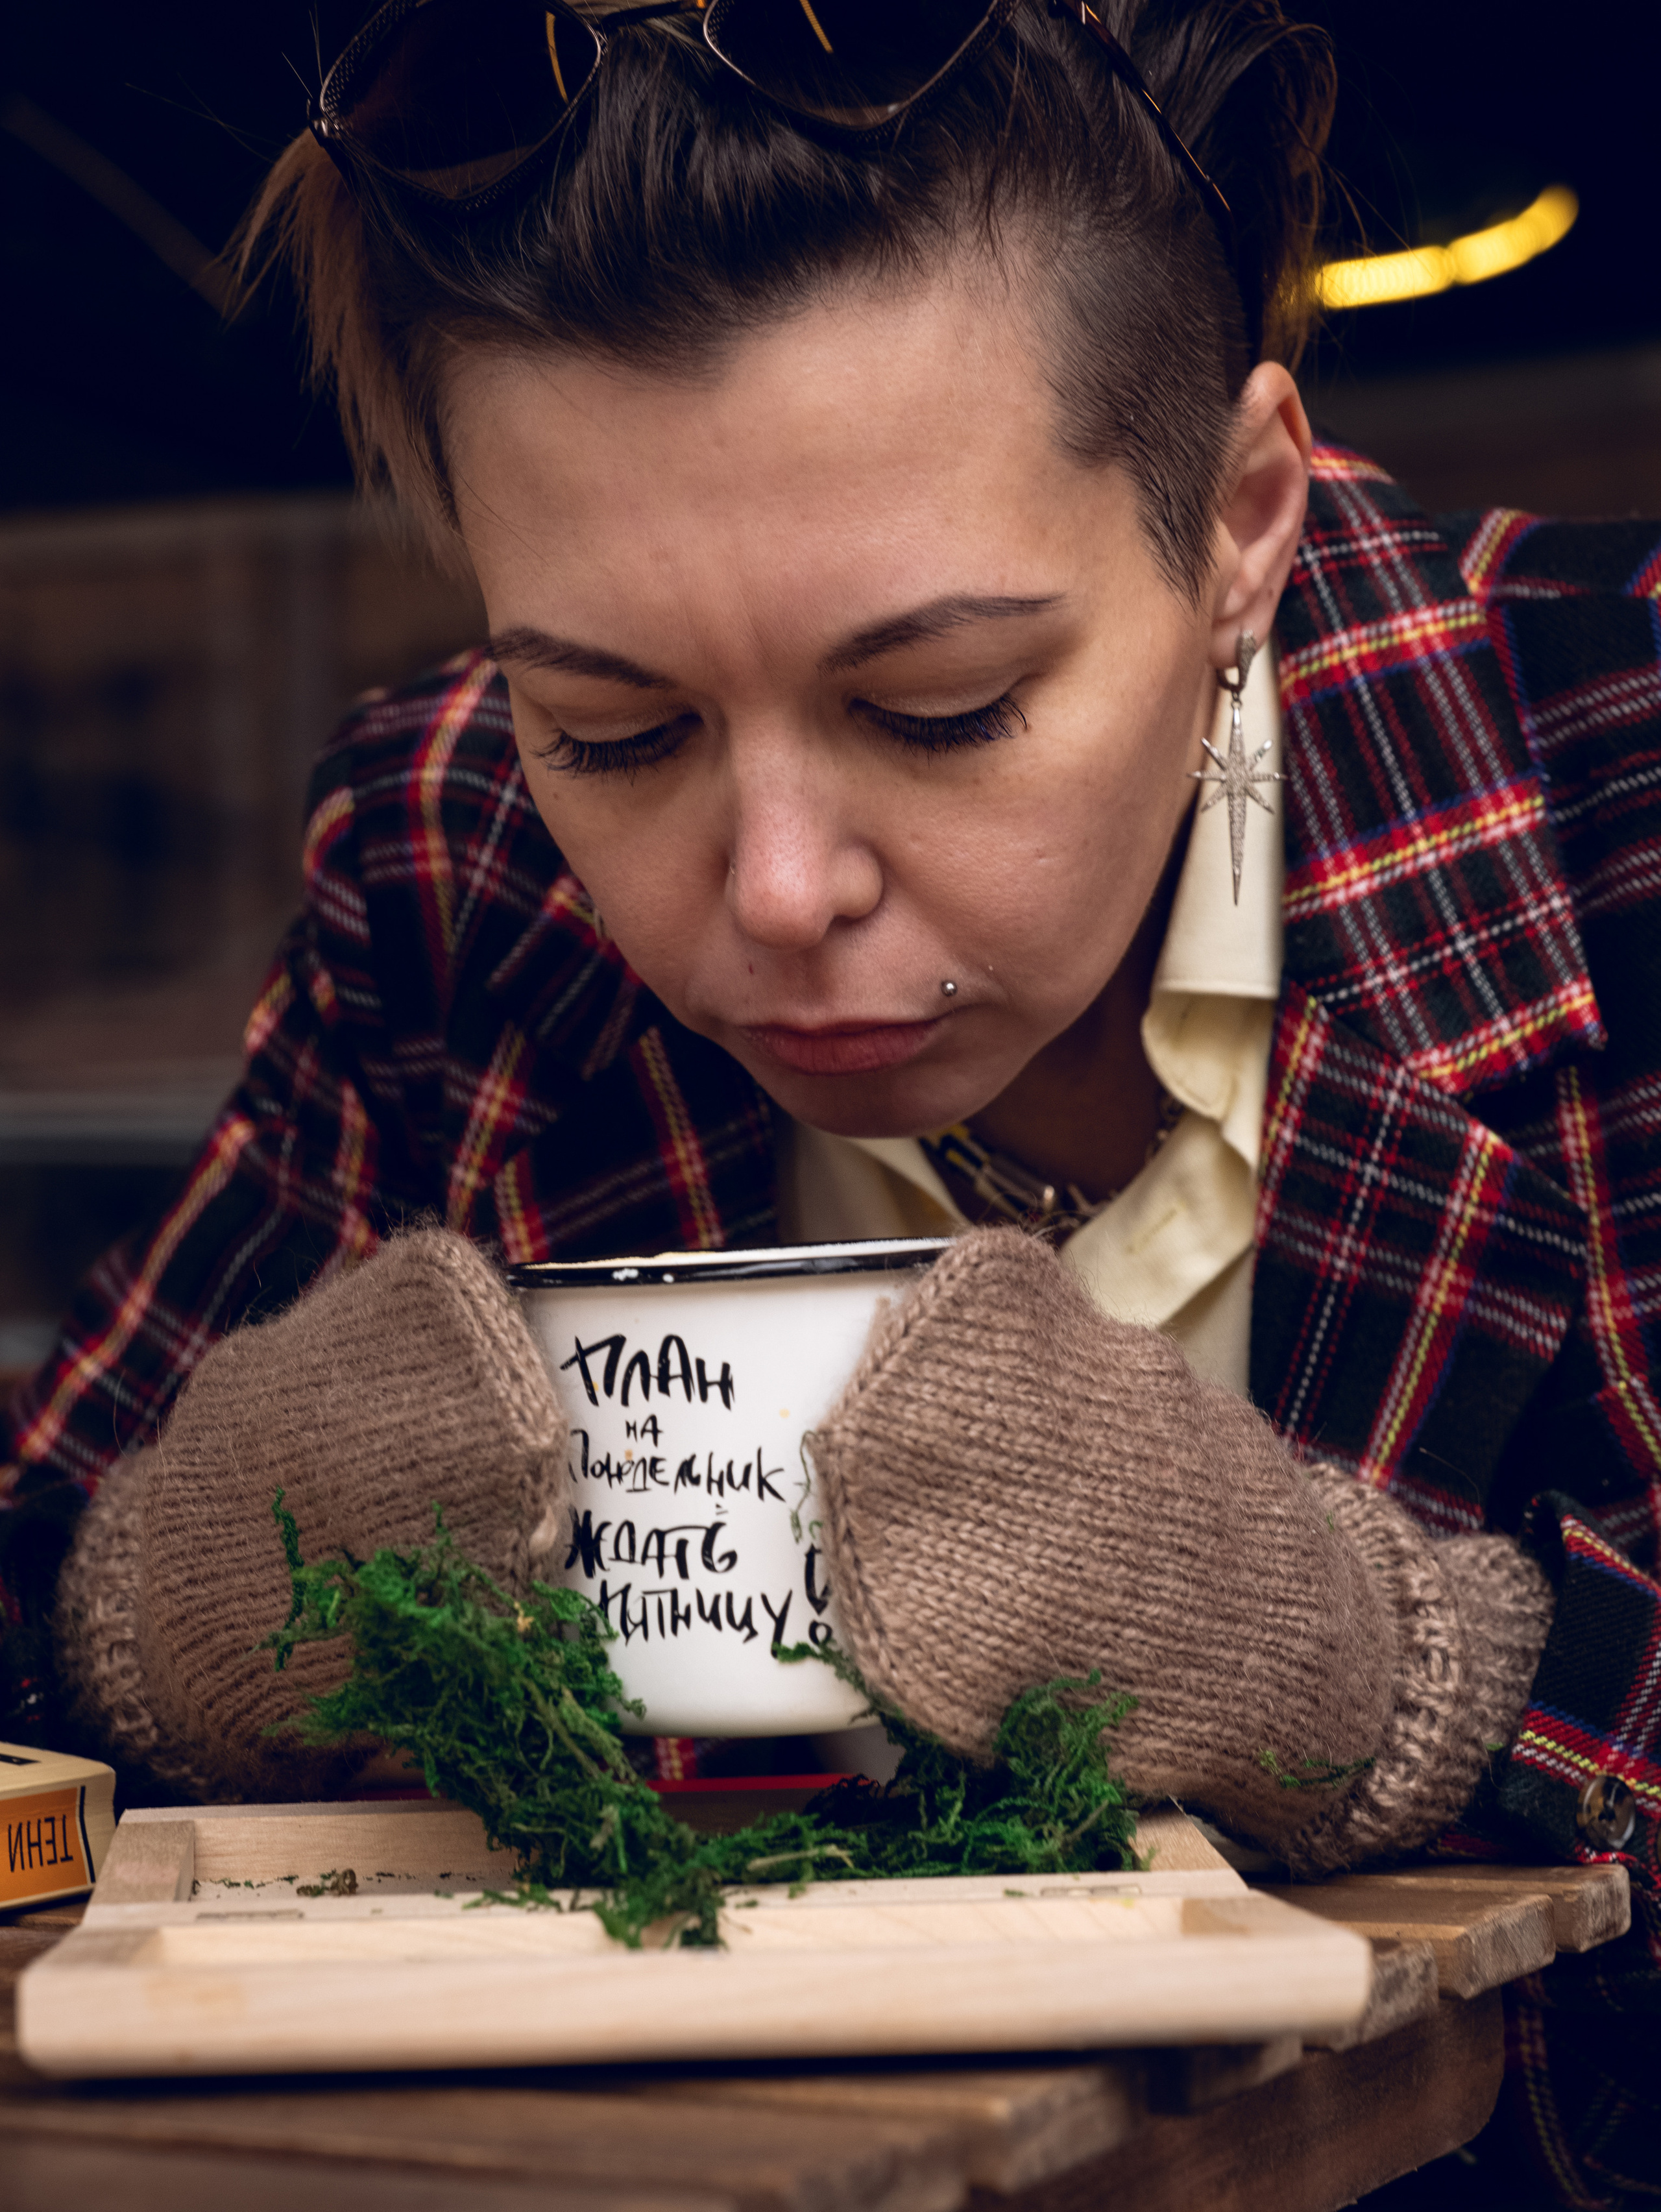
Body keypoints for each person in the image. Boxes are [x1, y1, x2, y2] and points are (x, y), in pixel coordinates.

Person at [2, 1, 1657, 2198]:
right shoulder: (450, 854)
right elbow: (36, 1599)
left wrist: (1397, 1677)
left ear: (1243, 520)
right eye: (618, 726)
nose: (778, 896)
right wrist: (164, 1600)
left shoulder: (1619, 762)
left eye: (943, 705)